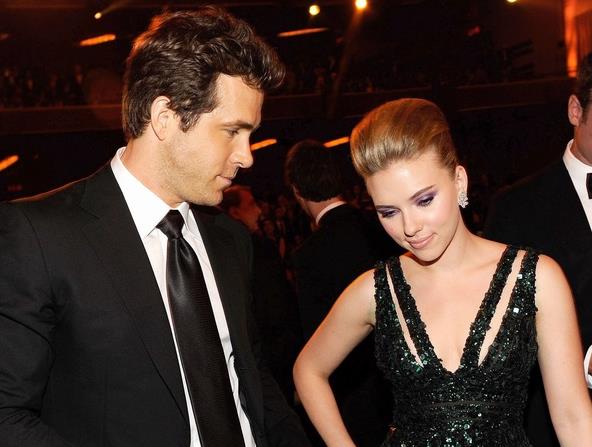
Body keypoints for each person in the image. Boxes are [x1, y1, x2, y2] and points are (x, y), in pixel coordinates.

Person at [0, 7, 311, 447]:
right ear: (165, 116)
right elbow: (7, 414)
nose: (247, 156)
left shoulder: (231, 240)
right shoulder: (39, 236)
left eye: (251, 134)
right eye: (232, 131)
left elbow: (250, 377)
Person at [293, 98, 592, 446]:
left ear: (459, 180)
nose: (410, 227)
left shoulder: (538, 278)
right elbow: (308, 370)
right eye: (388, 212)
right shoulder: (376, 290)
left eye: (424, 200)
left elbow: (573, 418)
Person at [485, 53, 592, 445]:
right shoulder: (516, 208)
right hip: (553, 424)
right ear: (576, 109)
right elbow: (495, 331)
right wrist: (584, 361)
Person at [285, 139, 393, 447]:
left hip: (350, 397)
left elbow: (315, 334)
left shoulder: (309, 254)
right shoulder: (383, 227)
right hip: (398, 385)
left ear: (296, 191)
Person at [220, 185, 303, 404]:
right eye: (251, 205)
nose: (258, 211)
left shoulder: (221, 250)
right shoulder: (256, 249)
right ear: (235, 212)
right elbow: (278, 305)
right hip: (274, 353)